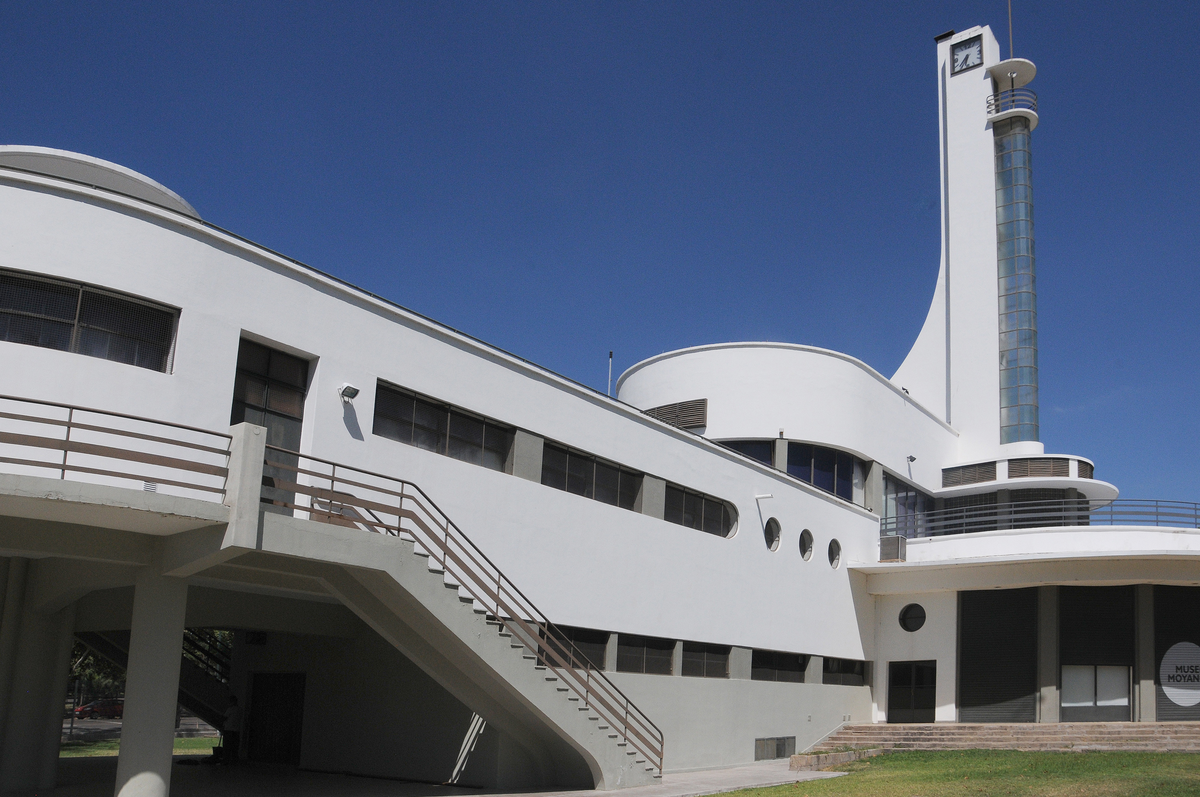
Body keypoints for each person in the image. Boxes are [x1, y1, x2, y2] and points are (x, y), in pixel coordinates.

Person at [220, 696, 241, 763]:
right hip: (236, 730)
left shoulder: (230, 709)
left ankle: (226, 759)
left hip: (228, 729)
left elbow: (224, 717)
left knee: (227, 746)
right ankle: (234, 759)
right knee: (235, 746)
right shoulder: (239, 709)